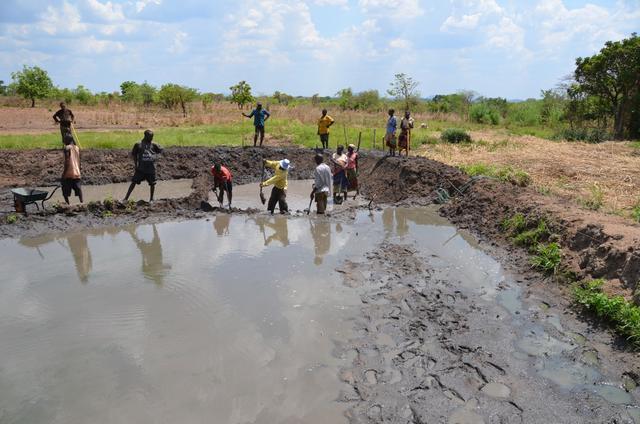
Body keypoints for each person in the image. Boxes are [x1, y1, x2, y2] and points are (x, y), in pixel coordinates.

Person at [124, 129, 163, 202]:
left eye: (152, 137)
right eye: (150, 137)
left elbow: (161, 150)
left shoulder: (154, 144)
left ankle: (151, 199)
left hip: (151, 168)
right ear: (145, 136)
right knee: (133, 182)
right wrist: (136, 165)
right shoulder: (138, 144)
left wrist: (156, 157)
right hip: (141, 168)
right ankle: (126, 198)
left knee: (152, 184)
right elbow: (134, 155)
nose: (151, 138)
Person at [61, 134, 83, 204]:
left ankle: (68, 204)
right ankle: (82, 202)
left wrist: (64, 173)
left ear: (67, 140)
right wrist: (79, 169)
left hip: (69, 173)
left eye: (64, 140)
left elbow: (67, 161)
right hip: (77, 172)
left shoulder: (67, 148)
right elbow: (79, 160)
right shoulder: (77, 148)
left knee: (65, 190)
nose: (63, 141)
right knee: (78, 189)